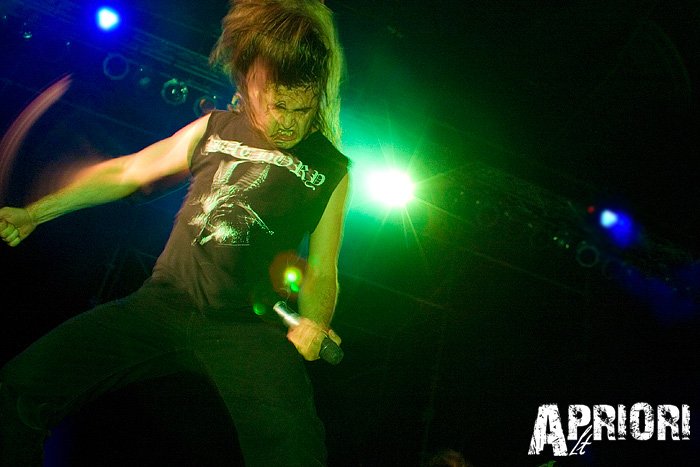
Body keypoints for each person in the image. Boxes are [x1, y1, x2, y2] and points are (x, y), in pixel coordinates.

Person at [0, 0, 349, 465]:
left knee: (296, 452)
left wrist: (316, 321)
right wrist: (34, 213)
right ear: (251, 85)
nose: (289, 122)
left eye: (301, 110)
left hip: (247, 329)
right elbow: (128, 171)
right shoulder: (215, 127)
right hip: (163, 303)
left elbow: (323, 268)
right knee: (18, 388)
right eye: (279, 106)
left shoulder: (332, 169)